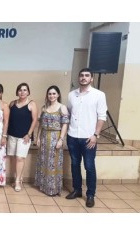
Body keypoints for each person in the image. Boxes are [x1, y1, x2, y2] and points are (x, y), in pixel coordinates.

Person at [65, 68, 107, 208]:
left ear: (91, 78)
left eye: (87, 75)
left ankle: (90, 194)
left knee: (89, 166)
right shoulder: (71, 95)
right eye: (81, 75)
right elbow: (70, 112)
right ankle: (77, 190)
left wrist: (96, 134)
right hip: (72, 136)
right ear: (78, 78)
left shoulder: (99, 95)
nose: (84, 78)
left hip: (89, 138)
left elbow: (102, 116)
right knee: (75, 164)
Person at [34, 85, 69, 196]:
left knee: (53, 163)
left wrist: (61, 139)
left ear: (58, 95)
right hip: (44, 137)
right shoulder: (44, 108)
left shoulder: (62, 107)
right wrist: (38, 137)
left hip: (55, 137)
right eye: (50, 94)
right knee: (44, 161)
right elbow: (40, 125)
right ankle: (43, 186)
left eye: (54, 93)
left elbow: (65, 125)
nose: (52, 95)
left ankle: (53, 188)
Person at [7, 83, 37, 192]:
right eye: (20, 90)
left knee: (20, 158)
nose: (22, 92)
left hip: (24, 137)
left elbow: (34, 120)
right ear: (17, 92)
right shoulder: (12, 104)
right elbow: (8, 119)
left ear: (28, 92)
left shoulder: (31, 104)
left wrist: (29, 134)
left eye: (25, 90)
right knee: (15, 157)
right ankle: (18, 176)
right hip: (12, 135)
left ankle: (17, 181)